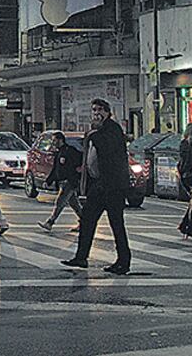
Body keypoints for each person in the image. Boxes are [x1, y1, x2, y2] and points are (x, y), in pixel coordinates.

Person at [62, 98, 131, 274]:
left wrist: (93, 135)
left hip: (113, 186)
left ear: (108, 112)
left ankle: (123, 261)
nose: (96, 113)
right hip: (99, 185)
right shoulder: (98, 131)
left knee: (116, 224)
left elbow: (107, 148)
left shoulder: (112, 129)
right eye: (94, 110)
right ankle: (81, 257)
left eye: (100, 110)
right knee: (87, 220)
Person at [38, 131, 83, 232]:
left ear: (60, 140)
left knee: (60, 202)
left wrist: (79, 169)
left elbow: (81, 159)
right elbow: (55, 169)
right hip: (62, 181)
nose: (53, 143)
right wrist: (48, 181)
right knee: (74, 204)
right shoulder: (59, 153)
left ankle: (50, 222)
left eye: (54, 140)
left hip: (70, 181)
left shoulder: (70, 151)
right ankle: (85, 221)